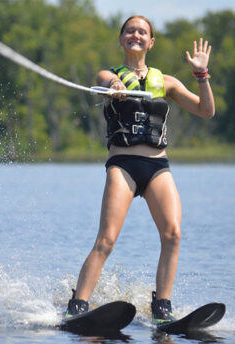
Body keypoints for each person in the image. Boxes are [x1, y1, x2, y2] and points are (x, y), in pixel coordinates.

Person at [65, 15, 215, 324]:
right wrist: (115, 86)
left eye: (142, 31)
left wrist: (201, 75)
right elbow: (105, 82)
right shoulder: (108, 74)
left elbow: (205, 111)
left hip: (157, 166)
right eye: (130, 30)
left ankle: (162, 307)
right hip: (123, 165)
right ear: (122, 39)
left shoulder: (168, 82)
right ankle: (77, 306)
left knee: (173, 234)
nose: (136, 34)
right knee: (106, 240)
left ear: (151, 42)